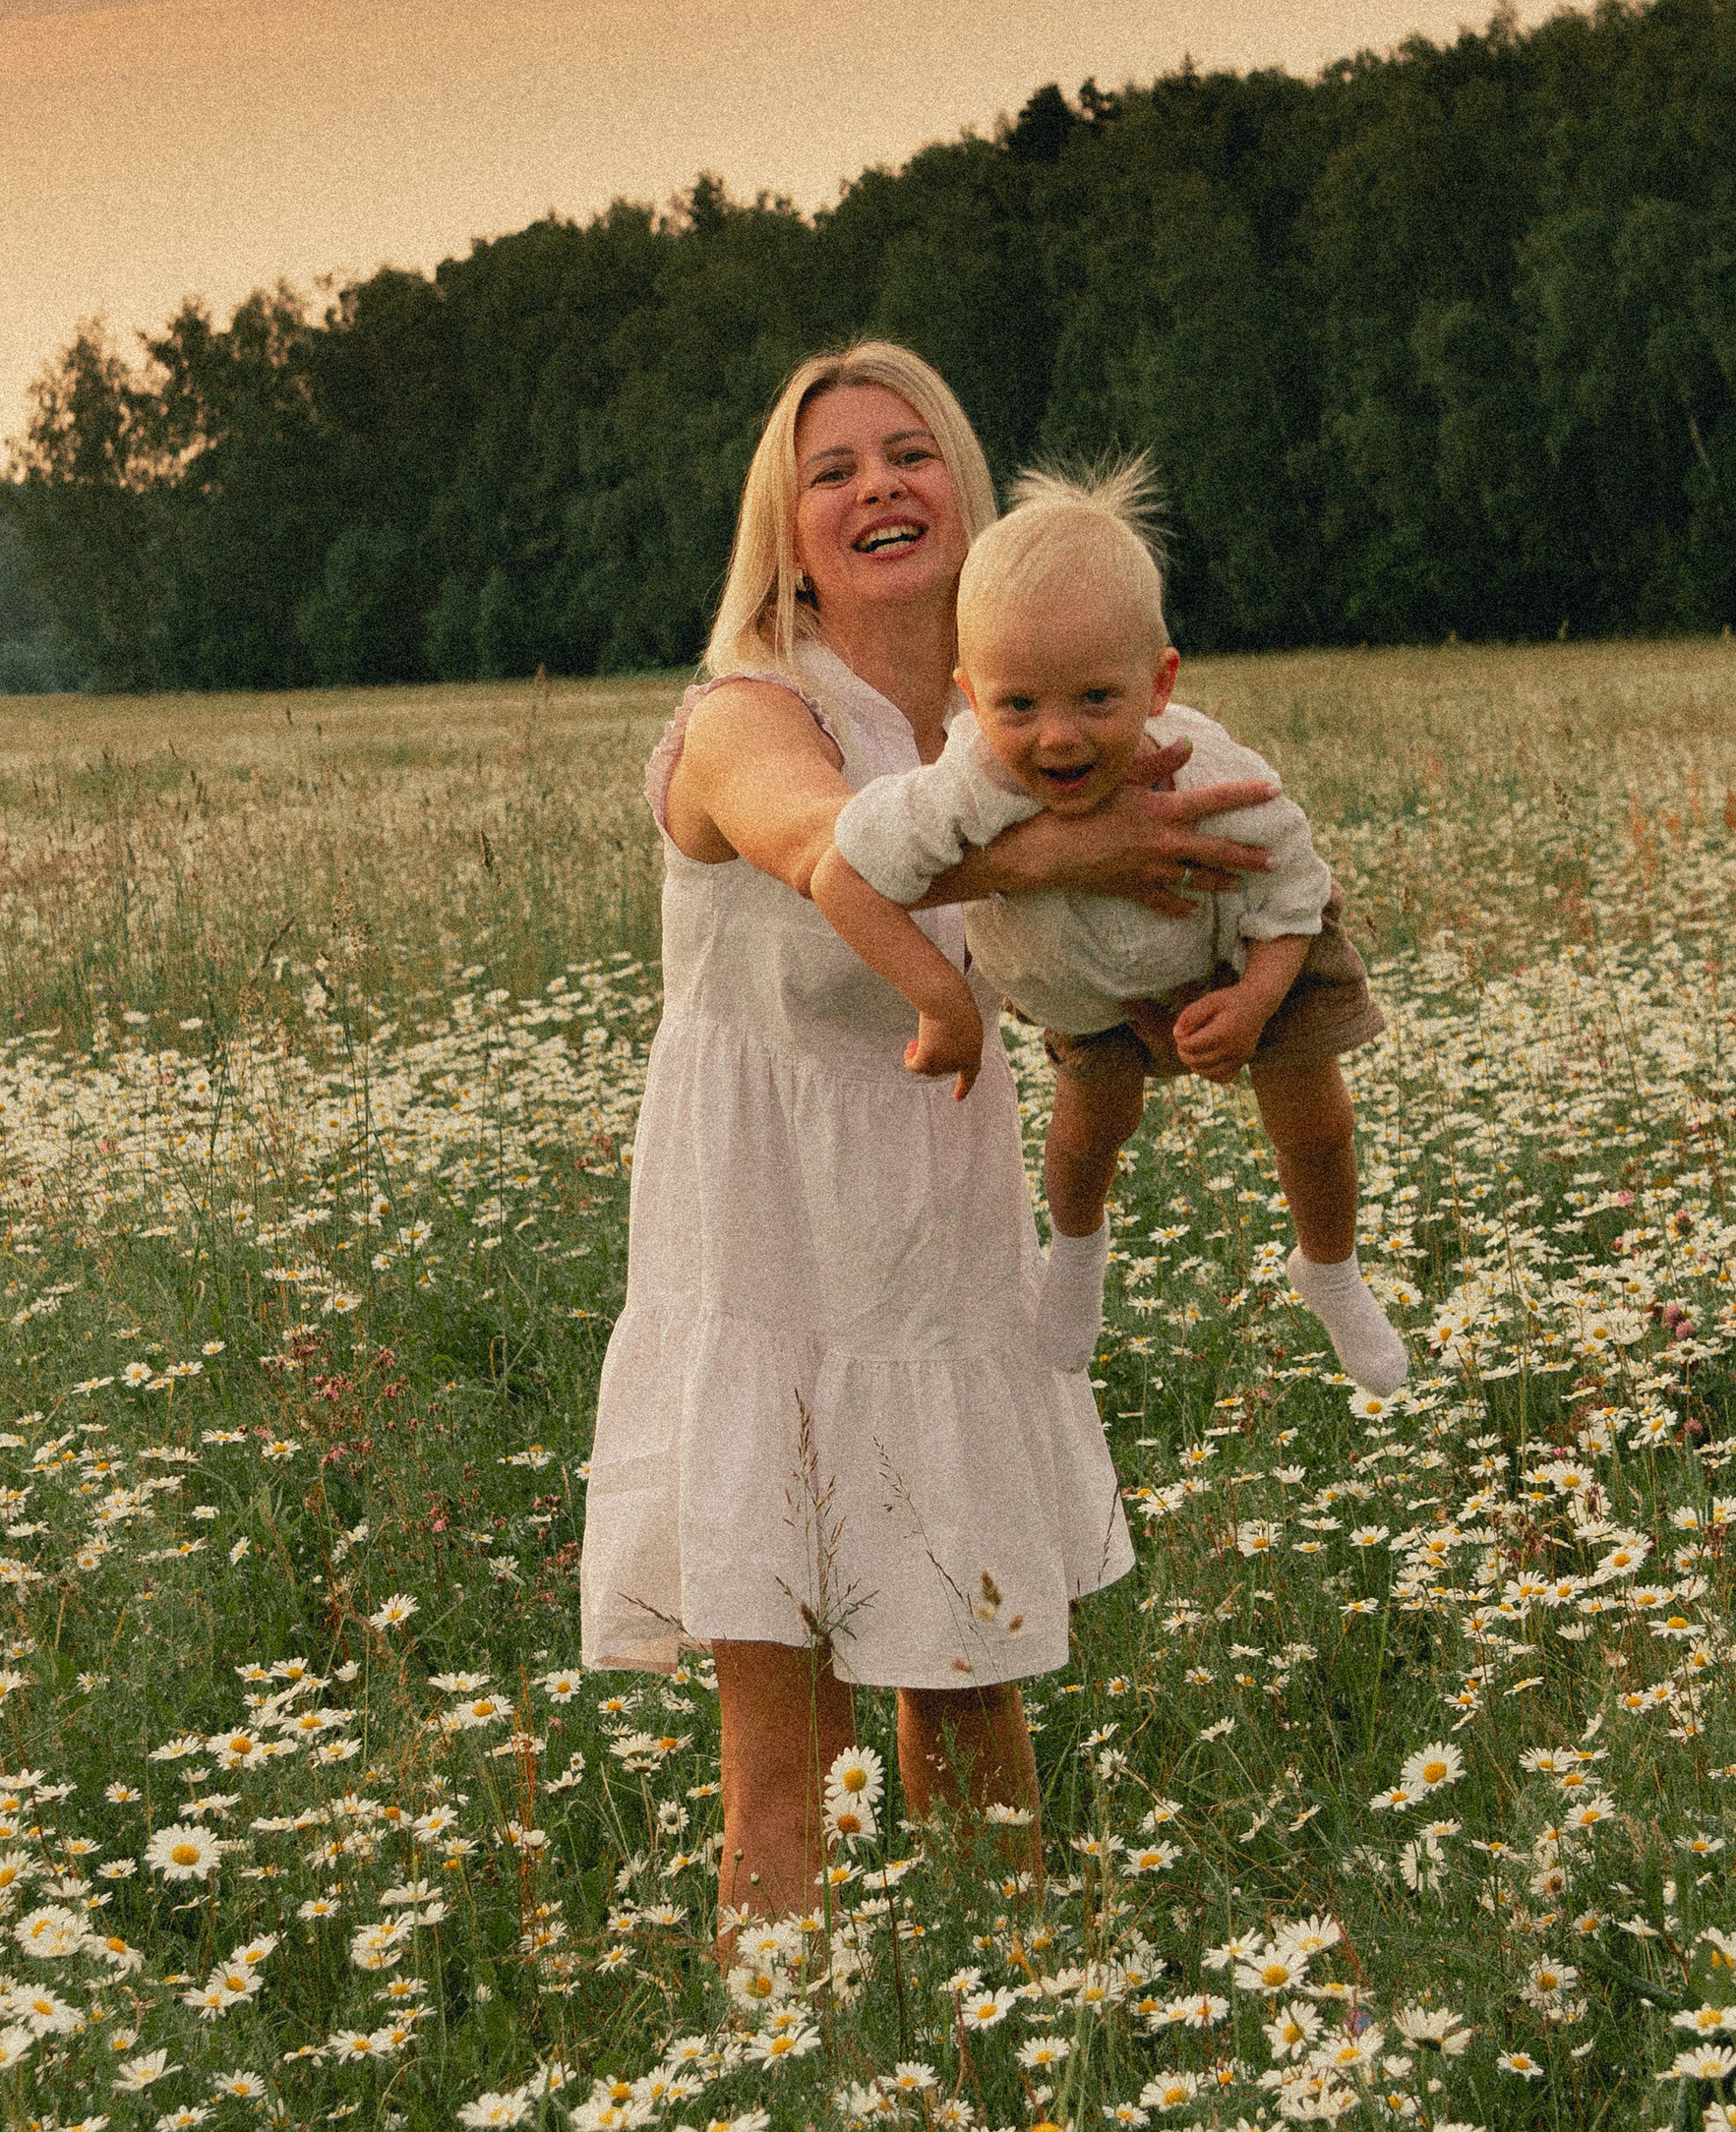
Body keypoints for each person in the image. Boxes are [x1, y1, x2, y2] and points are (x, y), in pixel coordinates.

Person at [577, 345, 1279, 1936]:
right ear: (791, 530)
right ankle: (781, 2088)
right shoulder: (742, 715)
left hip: (935, 1259)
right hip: (763, 1257)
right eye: (833, 470)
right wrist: (1066, 848)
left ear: (966, 503)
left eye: (911, 454)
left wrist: (1199, 1002)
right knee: (793, 1767)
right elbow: (831, 848)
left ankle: (1002, 2044)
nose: (877, 485)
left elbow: (1088, 975)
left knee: (975, 1714)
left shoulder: (1001, 736)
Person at [811, 460, 1407, 1393]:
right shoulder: (965, 783)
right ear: (970, 694)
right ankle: (1078, 1262)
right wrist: (942, 1004)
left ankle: (1328, 1269)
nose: (1058, 738)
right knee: (1091, 1130)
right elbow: (845, 872)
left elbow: (1296, 890)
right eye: (1018, 705)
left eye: (1096, 699)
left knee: (1313, 1116)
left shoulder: (1209, 770)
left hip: (1244, 946)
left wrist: (1254, 999)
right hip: (1083, 981)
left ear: (1159, 681)